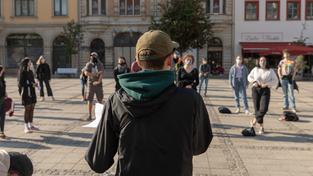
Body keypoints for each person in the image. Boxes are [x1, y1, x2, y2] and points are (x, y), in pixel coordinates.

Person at [85, 30, 213, 176]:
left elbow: (97, 161)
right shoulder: (191, 100)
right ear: (170, 60)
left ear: (138, 62)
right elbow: (199, 146)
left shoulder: (116, 100)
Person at [248, 57, 278, 134]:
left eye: (264, 60)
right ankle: (262, 127)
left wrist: (267, 84)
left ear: (266, 62)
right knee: (257, 109)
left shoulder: (270, 71)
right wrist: (254, 81)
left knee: (263, 109)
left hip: (265, 90)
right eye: (261, 60)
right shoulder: (255, 69)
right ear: (259, 62)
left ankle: (254, 121)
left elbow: (275, 81)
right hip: (256, 90)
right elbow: (249, 77)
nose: (262, 62)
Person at [18, 58, 39, 133]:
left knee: (32, 108)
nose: (31, 63)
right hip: (26, 93)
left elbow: (32, 81)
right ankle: (26, 127)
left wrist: (35, 84)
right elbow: (21, 84)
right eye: (30, 62)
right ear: (27, 63)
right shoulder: (22, 72)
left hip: (32, 92)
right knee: (27, 109)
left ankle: (31, 125)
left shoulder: (30, 72)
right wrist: (30, 84)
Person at [83, 52, 104, 121]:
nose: (93, 57)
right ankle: (89, 115)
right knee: (90, 100)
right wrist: (94, 74)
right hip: (91, 84)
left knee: (100, 100)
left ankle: (99, 116)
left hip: (98, 84)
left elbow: (101, 74)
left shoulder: (100, 64)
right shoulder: (88, 64)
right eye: (91, 56)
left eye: (94, 56)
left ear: (97, 56)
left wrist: (98, 81)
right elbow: (86, 73)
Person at [0, 65, 7, 139]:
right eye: (2, 71)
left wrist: (5, 93)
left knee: (2, 116)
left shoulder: (2, 79)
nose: (3, 72)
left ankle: (2, 131)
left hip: (2, 99)